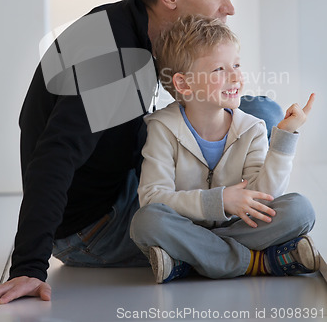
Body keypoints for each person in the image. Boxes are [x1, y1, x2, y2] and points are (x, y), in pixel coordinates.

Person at [0, 0, 282, 304]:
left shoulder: (131, 25)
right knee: (257, 122)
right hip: (92, 229)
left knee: (258, 112)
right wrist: (29, 266)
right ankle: (245, 250)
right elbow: (56, 153)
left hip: (120, 180)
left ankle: (228, 216)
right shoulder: (116, 61)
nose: (229, 7)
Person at [130, 15, 318, 283]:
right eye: (219, 69)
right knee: (145, 222)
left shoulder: (252, 128)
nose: (236, 77)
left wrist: (285, 136)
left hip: (235, 228)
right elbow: (152, 198)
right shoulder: (162, 127)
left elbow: (264, 198)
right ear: (184, 84)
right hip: (185, 226)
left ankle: (190, 260)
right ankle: (256, 262)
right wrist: (218, 202)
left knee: (301, 209)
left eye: (237, 65)